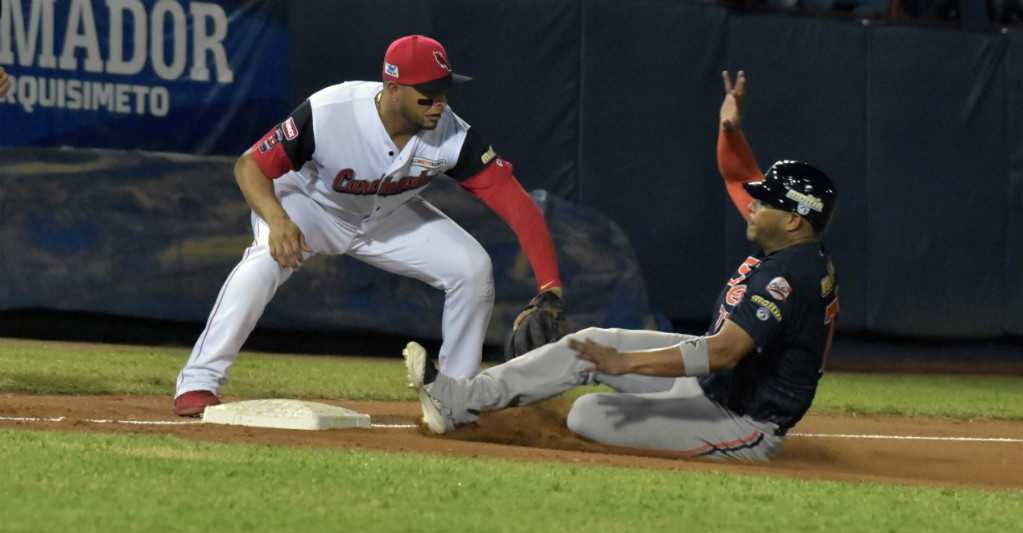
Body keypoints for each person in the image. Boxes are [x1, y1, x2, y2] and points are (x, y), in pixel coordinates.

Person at [403, 70, 840, 461]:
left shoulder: (789, 276)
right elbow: (734, 174)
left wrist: (623, 364)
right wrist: (730, 129)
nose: (752, 206)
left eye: (764, 202)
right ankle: (461, 400)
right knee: (592, 342)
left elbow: (724, 350)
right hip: (715, 385)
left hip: (742, 422)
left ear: (793, 219)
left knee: (589, 415)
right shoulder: (791, 244)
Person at [174, 35, 563, 416]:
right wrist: (277, 220)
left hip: (386, 217)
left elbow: (518, 206)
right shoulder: (331, 111)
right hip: (310, 204)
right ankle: (199, 380)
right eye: (427, 93)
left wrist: (549, 287)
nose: (440, 104)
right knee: (264, 262)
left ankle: (454, 399)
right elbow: (250, 166)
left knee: (472, 269)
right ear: (393, 89)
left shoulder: (453, 135)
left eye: (444, 91)